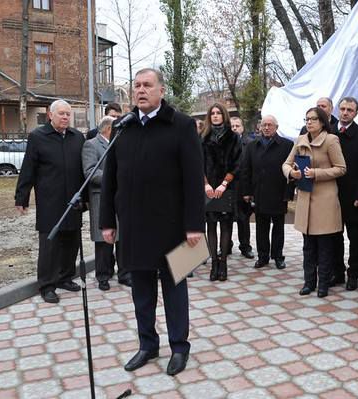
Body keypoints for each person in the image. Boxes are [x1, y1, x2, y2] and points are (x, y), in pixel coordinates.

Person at [99, 68, 205, 376]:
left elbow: (192, 179)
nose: (141, 90)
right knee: (141, 290)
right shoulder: (123, 126)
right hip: (134, 225)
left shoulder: (182, 125)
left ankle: (179, 347)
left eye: (147, 85)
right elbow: (110, 181)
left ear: (161, 90)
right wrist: (108, 221)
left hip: (173, 226)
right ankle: (147, 345)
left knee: (175, 288)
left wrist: (195, 225)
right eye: (137, 85)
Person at [15, 100, 85, 304]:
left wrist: (86, 199)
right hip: (49, 200)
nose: (65, 117)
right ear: (50, 115)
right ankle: (47, 285)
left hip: (73, 200)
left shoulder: (76, 137)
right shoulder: (38, 137)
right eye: (61, 114)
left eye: (68, 114)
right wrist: (22, 197)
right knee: (50, 245)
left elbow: (83, 170)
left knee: (71, 241)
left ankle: (65, 277)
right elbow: (28, 168)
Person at [283, 107, 346, 297]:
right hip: (305, 198)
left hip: (324, 200)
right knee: (308, 245)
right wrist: (291, 173)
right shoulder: (300, 140)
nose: (309, 122)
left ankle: (324, 284)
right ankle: (309, 282)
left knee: (325, 246)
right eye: (307, 119)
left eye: (313, 119)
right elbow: (286, 163)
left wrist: (316, 173)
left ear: (322, 121)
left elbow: (341, 168)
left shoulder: (331, 140)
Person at [82, 116, 131, 291]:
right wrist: (114, 178)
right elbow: (89, 172)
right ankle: (103, 275)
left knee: (122, 237)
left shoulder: (119, 144)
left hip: (120, 197)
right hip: (100, 197)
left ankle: (125, 274)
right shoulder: (91, 145)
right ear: (109, 128)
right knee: (103, 240)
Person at [332, 97, 358, 291]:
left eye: (350, 109)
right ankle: (337, 271)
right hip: (331, 195)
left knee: (355, 237)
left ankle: (353, 274)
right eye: (342, 109)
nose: (345, 112)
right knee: (334, 236)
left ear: (356, 113)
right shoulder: (329, 133)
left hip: (353, 197)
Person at [240, 115, 292, 270]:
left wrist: (288, 193)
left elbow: (291, 170)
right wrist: (246, 191)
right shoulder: (252, 145)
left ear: (276, 127)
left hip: (278, 193)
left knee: (278, 227)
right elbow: (245, 170)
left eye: (270, 125)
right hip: (259, 193)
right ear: (260, 127)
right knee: (261, 227)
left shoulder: (286, 145)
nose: (267, 127)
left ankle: (278, 256)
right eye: (264, 125)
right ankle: (263, 256)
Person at [201, 103, 242, 281]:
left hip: (226, 187)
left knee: (226, 226)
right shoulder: (203, 137)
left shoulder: (233, 137)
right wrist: (206, 185)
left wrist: (224, 183)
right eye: (212, 113)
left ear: (224, 115)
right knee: (210, 226)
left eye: (218, 113)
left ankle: (223, 263)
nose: (215, 116)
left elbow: (237, 163)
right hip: (208, 187)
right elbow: (198, 163)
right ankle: (214, 264)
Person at [229, 116, 255, 259]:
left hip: (243, 187)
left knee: (243, 219)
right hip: (227, 187)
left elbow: (252, 168)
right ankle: (226, 246)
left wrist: (249, 190)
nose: (234, 128)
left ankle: (245, 247)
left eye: (237, 126)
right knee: (225, 218)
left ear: (242, 128)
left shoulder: (250, 144)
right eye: (232, 126)